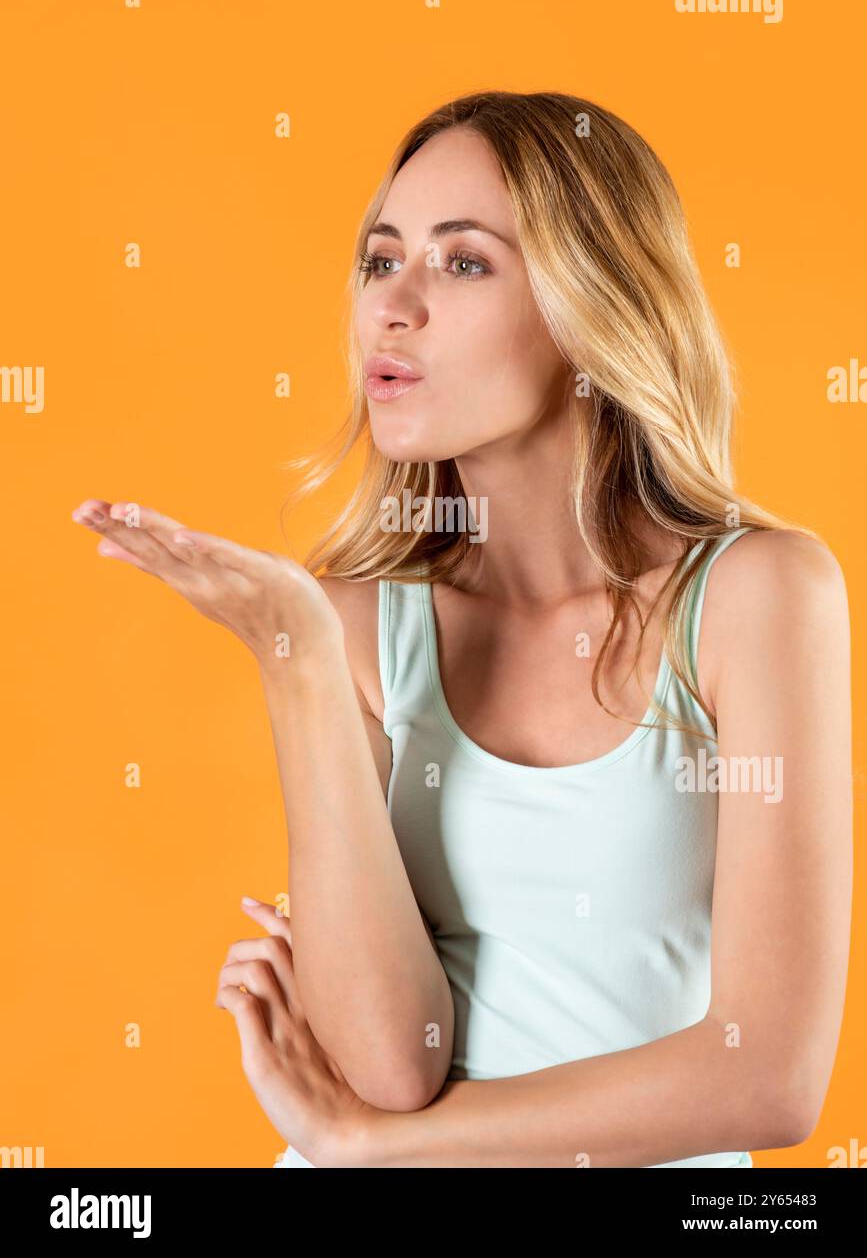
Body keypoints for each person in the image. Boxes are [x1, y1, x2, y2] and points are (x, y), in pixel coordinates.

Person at [72, 91, 852, 1168]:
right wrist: (294, 655)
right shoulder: (352, 625)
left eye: (463, 262)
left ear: (597, 305)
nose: (393, 306)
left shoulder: (758, 597)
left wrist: (366, 1147)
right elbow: (389, 1065)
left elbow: (767, 1075)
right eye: (379, 260)